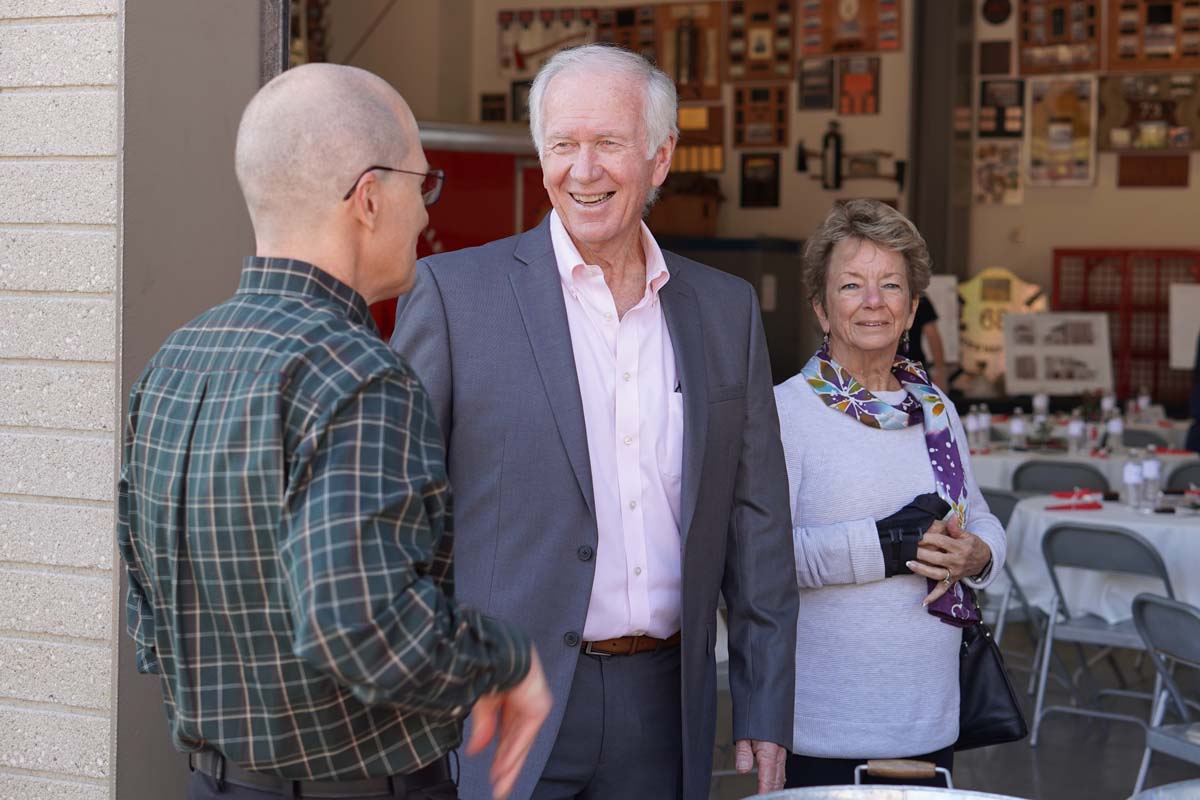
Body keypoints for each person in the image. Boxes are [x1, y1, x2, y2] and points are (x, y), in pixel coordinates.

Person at [117, 63, 550, 800]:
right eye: (424, 184)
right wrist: (504, 661)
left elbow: (150, 619)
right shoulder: (359, 376)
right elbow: (359, 624)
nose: (425, 214)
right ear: (371, 198)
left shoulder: (176, 360)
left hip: (218, 783)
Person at [390, 44, 797, 800]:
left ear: (661, 156)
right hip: (498, 706)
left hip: (662, 705)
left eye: (608, 143)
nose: (584, 170)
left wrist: (765, 702)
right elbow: (394, 512)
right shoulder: (453, 296)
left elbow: (758, 527)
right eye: (562, 145)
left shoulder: (724, 310)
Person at [773, 199, 1007, 788]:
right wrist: (881, 547)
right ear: (822, 309)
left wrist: (979, 554)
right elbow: (756, 556)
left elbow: (978, 516)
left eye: (891, 285)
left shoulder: (934, 409)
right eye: (851, 285)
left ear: (910, 310)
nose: (873, 301)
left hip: (930, 713)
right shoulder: (785, 413)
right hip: (826, 719)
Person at [909, 294, 948, 389]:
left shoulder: (919, 299)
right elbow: (933, 337)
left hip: (914, 368)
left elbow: (933, 337)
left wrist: (940, 372)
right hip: (886, 366)